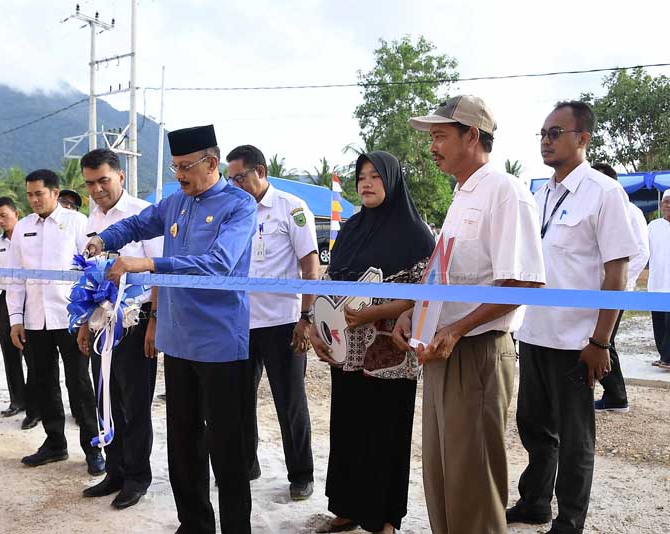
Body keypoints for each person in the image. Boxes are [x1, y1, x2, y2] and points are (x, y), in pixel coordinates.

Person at [86, 125, 256, 534]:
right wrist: (102, 240)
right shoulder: (174, 202)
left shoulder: (239, 206)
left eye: (185, 167)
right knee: (182, 442)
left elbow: (219, 263)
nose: (178, 175)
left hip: (219, 342)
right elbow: (136, 225)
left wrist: (150, 264)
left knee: (227, 447)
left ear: (211, 163)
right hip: (178, 342)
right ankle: (194, 524)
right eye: (175, 167)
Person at [397, 95, 545, 534]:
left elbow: (523, 283)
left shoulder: (505, 192)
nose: (432, 147)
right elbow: (448, 274)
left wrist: (459, 328)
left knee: (473, 484)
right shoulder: (463, 194)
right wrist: (414, 313)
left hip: (477, 353)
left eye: (440, 136)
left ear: (472, 136)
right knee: (444, 478)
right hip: (444, 350)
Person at [510, 101, 639, 534]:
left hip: (576, 341)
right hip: (534, 333)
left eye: (555, 133)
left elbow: (617, 272)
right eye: (543, 134)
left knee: (575, 437)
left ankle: (569, 521)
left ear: (582, 138)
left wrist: (600, 342)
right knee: (533, 427)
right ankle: (534, 503)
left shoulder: (604, 193)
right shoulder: (540, 195)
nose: (546, 141)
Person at [309, 151, 434, 534]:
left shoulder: (416, 235)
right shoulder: (351, 229)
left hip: (388, 350)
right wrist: (315, 325)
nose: (366, 183)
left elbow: (421, 296)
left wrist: (372, 313)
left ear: (392, 181)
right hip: (347, 346)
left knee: (385, 430)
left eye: (375, 176)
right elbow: (330, 282)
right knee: (348, 426)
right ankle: (347, 506)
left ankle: (384, 518)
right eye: (362, 176)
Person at [226, 144, 318, 501]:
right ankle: (246, 465)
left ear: (260, 172)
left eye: (240, 178)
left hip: (283, 322)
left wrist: (306, 317)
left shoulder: (291, 208)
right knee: (239, 400)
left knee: (290, 401)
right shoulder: (234, 212)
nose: (235, 185)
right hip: (240, 321)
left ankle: (301, 473)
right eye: (231, 180)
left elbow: (310, 266)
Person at [75, 148, 163, 510]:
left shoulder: (143, 214)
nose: (97, 189)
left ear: (121, 176)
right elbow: (86, 276)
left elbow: (160, 271)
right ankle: (115, 471)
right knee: (106, 399)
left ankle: (137, 477)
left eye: (103, 181)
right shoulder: (90, 221)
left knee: (135, 403)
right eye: (90, 183)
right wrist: (84, 323)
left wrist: (154, 322)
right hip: (101, 323)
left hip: (135, 320)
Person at [6, 169, 104, 475]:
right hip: (36, 320)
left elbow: (91, 270)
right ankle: (54, 444)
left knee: (80, 384)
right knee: (43, 382)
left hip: (71, 318)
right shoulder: (22, 228)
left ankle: (93, 447)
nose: (34, 200)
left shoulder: (77, 222)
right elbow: (15, 278)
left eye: (39, 194)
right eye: (29, 195)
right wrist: (16, 319)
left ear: (55, 193)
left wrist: (87, 316)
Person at [590, 162, 649, 412]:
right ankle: (611, 393)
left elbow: (641, 252)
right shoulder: (594, 207)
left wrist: (623, 284)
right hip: (595, 291)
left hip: (615, 290)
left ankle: (616, 396)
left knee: (604, 341)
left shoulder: (629, 210)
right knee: (595, 339)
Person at [0, 197, 40, 429]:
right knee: (10, 352)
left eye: (4, 215)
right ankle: (17, 400)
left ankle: (36, 407)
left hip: (31, 298)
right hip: (6, 300)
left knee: (33, 355)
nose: (1, 220)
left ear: (16, 214)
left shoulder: (29, 238)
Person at [648, 189, 670, 368]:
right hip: (656, 283)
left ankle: (668, 358)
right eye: (667, 201)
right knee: (659, 323)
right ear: (661, 205)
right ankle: (663, 356)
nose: (669, 205)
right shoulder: (653, 226)